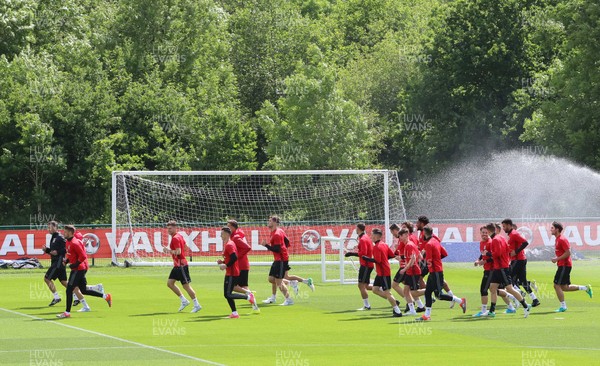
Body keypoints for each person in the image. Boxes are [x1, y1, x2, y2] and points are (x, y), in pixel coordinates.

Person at [56, 225, 111, 318]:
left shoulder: (75, 243)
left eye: (65, 232)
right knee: (83, 290)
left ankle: (67, 313)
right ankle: (105, 296)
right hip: (78, 269)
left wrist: (75, 264)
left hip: (78, 269)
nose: (63, 233)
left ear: (70, 233)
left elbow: (83, 256)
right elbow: (71, 255)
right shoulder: (68, 242)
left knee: (69, 290)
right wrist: (67, 261)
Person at [417, 225, 466, 321]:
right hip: (435, 271)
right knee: (427, 292)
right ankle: (427, 315)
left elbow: (429, 260)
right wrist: (437, 260)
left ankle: (460, 301)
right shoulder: (436, 241)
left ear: (424, 233)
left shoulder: (428, 244)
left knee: (439, 295)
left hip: (435, 272)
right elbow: (444, 253)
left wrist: (423, 262)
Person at [486, 223, 531, 318]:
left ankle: (525, 306)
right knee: (492, 288)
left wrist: (488, 254)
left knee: (510, 288)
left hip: (502, 268)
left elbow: (497, 254)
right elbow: (507, 249)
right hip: (499, 267)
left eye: (486, 232)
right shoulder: (501, 237)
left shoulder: (495, 240)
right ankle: (492, 311)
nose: (486, 235)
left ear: (489, 231)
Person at [473, 226, 517, 317]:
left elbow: (493, 257)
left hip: (492, 269)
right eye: (483, 232)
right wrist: (478, 260)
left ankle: (484, 310)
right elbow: (483, 254)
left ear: (489, 233)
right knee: (494, 290)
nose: (484, 234)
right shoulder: (482, 242)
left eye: (486, 232)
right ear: (480, 233)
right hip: (488, 269)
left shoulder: (491, 242)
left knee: (484, 289)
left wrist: (483, 261)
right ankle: (511, 303)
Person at [550, 221, 593, 312]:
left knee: (556, 285)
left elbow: (568, 253)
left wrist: (556, 259)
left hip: (564, 265)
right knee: (564, 287)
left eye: (552, 228)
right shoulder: (557, 239)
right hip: (562, 265)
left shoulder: (562, 239)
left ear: (557, 229)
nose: (551, 229)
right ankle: (585, 288)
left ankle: (563, 306)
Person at [361, 228, 403, 317]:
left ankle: (397, 311)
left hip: (384, 272)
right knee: (375, 289)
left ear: (376, 236)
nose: (370, 236)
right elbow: (391, 255)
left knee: (387, 292)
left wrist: (367, 258)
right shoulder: (384, 244)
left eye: (372, 235)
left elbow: (378, 260)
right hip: (381, 272)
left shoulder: (377, 247)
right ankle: (394, 302)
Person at [218, 227, 258, 318]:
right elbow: (230, 258)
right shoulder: (229, 244)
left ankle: (248, 297)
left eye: (222, 234)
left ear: (227, 234)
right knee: (227, 294)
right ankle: (234, 313)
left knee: (228, 294)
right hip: (230, 272)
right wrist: (223, 262)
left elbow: (234, 257)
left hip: (232, 273)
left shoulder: (229, 244)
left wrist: (226, 265)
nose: (221, 236)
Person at [163, 220, 201, 313]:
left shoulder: (175, 238)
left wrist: (168, 251)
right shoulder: (179, 236)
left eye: (171, 228)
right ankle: (184, 300)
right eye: (168, 228)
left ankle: (197, 305)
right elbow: (186, 247)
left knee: (186, 286)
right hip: (177, 265)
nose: (169, 230)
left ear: (175, 228)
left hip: (181, 265)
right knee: (170, 283)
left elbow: (179, 251)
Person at [502, 219, 539, 307]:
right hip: (520, 259)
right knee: (522, 281)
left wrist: (516, 251)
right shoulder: (511, 235)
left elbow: (525, 242)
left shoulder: (514, 234)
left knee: (508, 279)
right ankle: (534, 299)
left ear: (509, 225)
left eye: (504, 226)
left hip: (518, 260)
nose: (503, 228)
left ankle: (519, 295)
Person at [226, 220, 259, 312]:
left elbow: (247, 247)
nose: (227, 228)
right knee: (244, 286)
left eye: (228, 226)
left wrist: (237, 256)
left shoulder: (235, 237)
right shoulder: (234, 236)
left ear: (233, 227)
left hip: (241, 265)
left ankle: (249, 294)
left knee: (232, 287)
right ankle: (255, 306)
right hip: (242, 265)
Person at [260, 216, 293, 306]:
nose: (268, 222)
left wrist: (266, 245)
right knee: (271, 279)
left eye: (270, 221)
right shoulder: (277, 231)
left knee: (278, 282)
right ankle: (288, 284)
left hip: (281, 260)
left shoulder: (277, 234)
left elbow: (277, 249)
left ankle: (289, 299)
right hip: (278, 259)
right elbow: (287, 241)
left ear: (275, 222)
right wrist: (284, 249)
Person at [344, 223, 374, 310]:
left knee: (361, 285)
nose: (355, 230)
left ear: (358, 229)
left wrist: (351, 253)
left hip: (366, 265)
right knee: (367, 287)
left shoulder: (363, 239)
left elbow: (363, 253)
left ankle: (367, 306)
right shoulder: (365, 237)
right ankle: (385, 292)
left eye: (356, 228)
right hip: (368, 264)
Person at [43, 221, 67, 306]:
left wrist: (58, 252)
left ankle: (56, 297)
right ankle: (77, 297)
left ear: (56, 228)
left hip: (58, 262)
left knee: (47, 278)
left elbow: (67, 247)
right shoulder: (54, 237)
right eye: (48, 227)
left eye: (51, 227)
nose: (49, 229)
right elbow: (53, 252)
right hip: (57, 261)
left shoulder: (60, 237)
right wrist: (47, 250)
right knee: (64, 282)